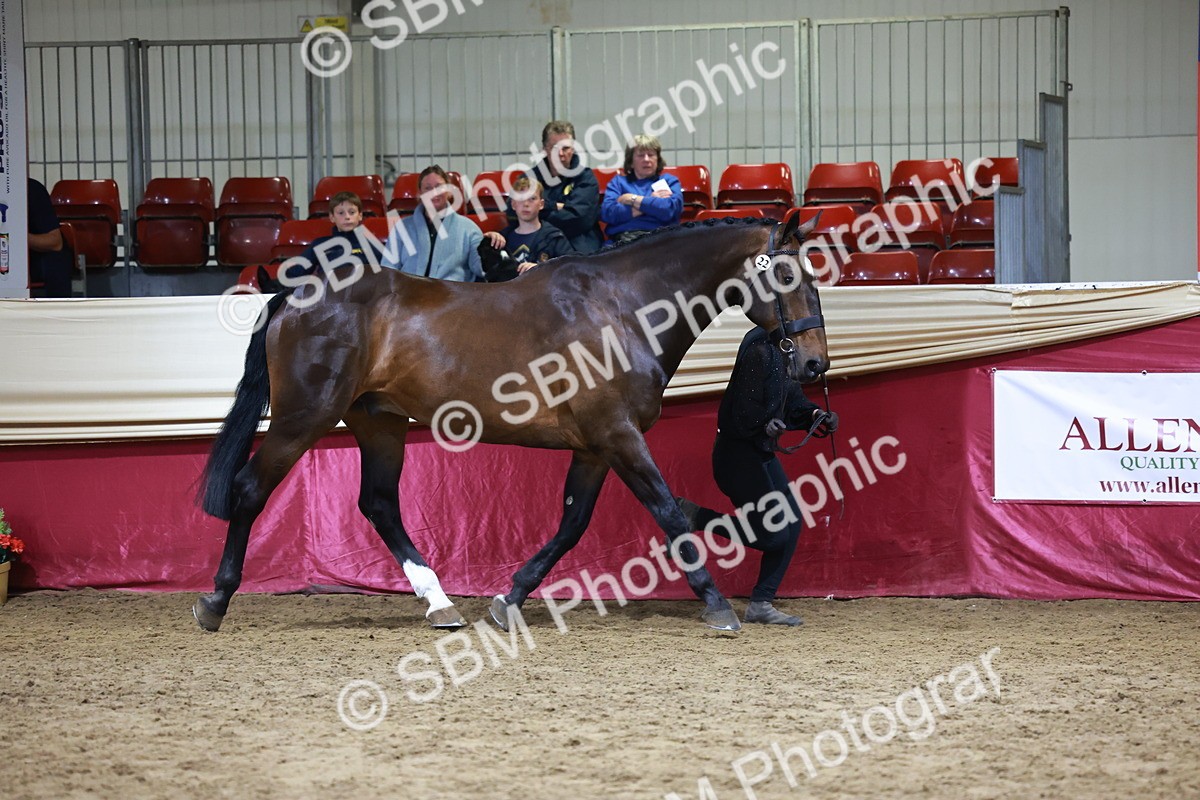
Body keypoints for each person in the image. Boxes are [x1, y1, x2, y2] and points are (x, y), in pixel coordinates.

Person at [675, 326, 839, 627]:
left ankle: (761, 604)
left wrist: (815, 415)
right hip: (736, 457)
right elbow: (744, 410)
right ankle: (699, 518)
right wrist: (766, 424)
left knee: (792, 521)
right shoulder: (759, 352)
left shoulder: (782, 352)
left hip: (759, 454)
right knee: (774, 535)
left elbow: (791, 399)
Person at [383, 165, 501, 282]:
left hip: (452, 297)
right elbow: (388, 268)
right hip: (409, 295)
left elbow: (481, 268)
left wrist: (489, 245)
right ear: (420, 194)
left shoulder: (469, 229)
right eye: (427, 188)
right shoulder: (401, 228)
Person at [510, 120, 602, 255]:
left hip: (579, 247)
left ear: (573, 149)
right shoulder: (530, 178)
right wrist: (555, 206)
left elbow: (580, 220)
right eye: (554, 148)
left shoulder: (586, 178)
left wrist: (540, 211)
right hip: (538, 244)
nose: (561, 154)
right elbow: (511, 211)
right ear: (545, 149)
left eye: (565, 148)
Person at [600, 134, 683, 246]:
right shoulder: (618, 183)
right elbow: (608, 213)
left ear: (657, 159)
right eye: (640, 155)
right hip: (622, 242)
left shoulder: (669, 181)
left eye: (651, 154)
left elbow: (668, 210)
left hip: (660, 242)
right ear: (631, 161)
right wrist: (652, 202)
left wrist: (631, 199)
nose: (646, 159)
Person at [491, 177, 575, 277]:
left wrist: (542, 269)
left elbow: (572, 269)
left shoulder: (554, 238)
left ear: (541, 204)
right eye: (521, 199)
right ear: (513, 204)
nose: (526, 204)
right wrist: (487, 241)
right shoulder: (501, 240)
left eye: (532, 198)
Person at [28, 178, 74, 298]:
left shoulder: (31, 189)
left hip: (33, 257)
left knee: (55, 262)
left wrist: (17, 237)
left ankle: (58, 311)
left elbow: (55, 242)